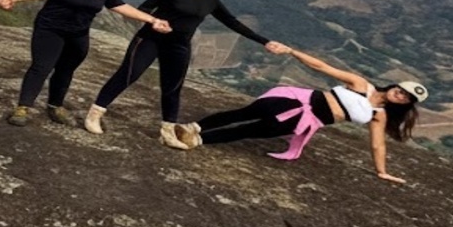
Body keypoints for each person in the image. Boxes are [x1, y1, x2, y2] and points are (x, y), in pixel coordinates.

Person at [85, 0, 285, 149]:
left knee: (173, 88)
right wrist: (153, 21)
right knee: (129, 74)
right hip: (150, 39)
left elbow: (232, 23)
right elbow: (144, 8)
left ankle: (167, 132)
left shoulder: (211, 1)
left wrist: (264, 41)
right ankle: (95, 113)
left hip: (179, 45)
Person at [177, 47, 426, 183]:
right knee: (244, 114)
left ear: (406, 104)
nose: (400, 95)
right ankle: (193, 127)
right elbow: (322, 67)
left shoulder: (378, 114)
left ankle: (198, 140)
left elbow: (378, 144)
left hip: (304, 121)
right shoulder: (361, 84)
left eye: (406, 97)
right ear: (395, 85)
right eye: (401, 89)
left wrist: (381, 171)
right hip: (295, 100)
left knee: (250, 130)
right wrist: (292, 52)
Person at [0, 0, 171, 127]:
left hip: (78, 35)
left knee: (66, 70)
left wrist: (153, 20)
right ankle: (23, 108)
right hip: (50, 30)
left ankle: (55, 106)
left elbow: (120, 6)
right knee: (41, 67)